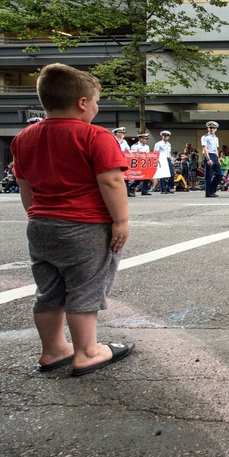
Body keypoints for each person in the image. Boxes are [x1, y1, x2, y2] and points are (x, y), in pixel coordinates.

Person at [10, 63, 134, 377]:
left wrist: (35, 214)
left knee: (48, 290)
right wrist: (120, 221)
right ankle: (87, 351)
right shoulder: (96, 136)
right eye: (95, 102)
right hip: (86, 226)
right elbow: (111, 181)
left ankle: (53, 350)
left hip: (41, 225)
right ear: (82, 103)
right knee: (85, 288)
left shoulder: (24, 138)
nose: (96, 108)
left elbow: (26, 186)